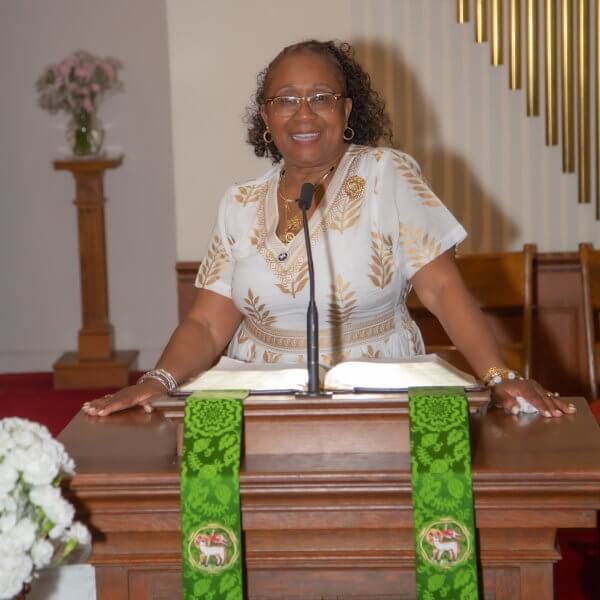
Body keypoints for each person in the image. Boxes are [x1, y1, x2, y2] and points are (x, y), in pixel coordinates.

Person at [83, 39, 575, 419]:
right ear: (266, 116)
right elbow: (207, 324)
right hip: (261, 401)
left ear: (346, 110)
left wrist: (499, 375)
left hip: (379, 394)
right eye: (286, 100)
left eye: (321, 97)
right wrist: (159, 381)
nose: (303, 113)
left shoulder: (387, 175)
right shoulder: (239, 202)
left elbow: (444, 290)